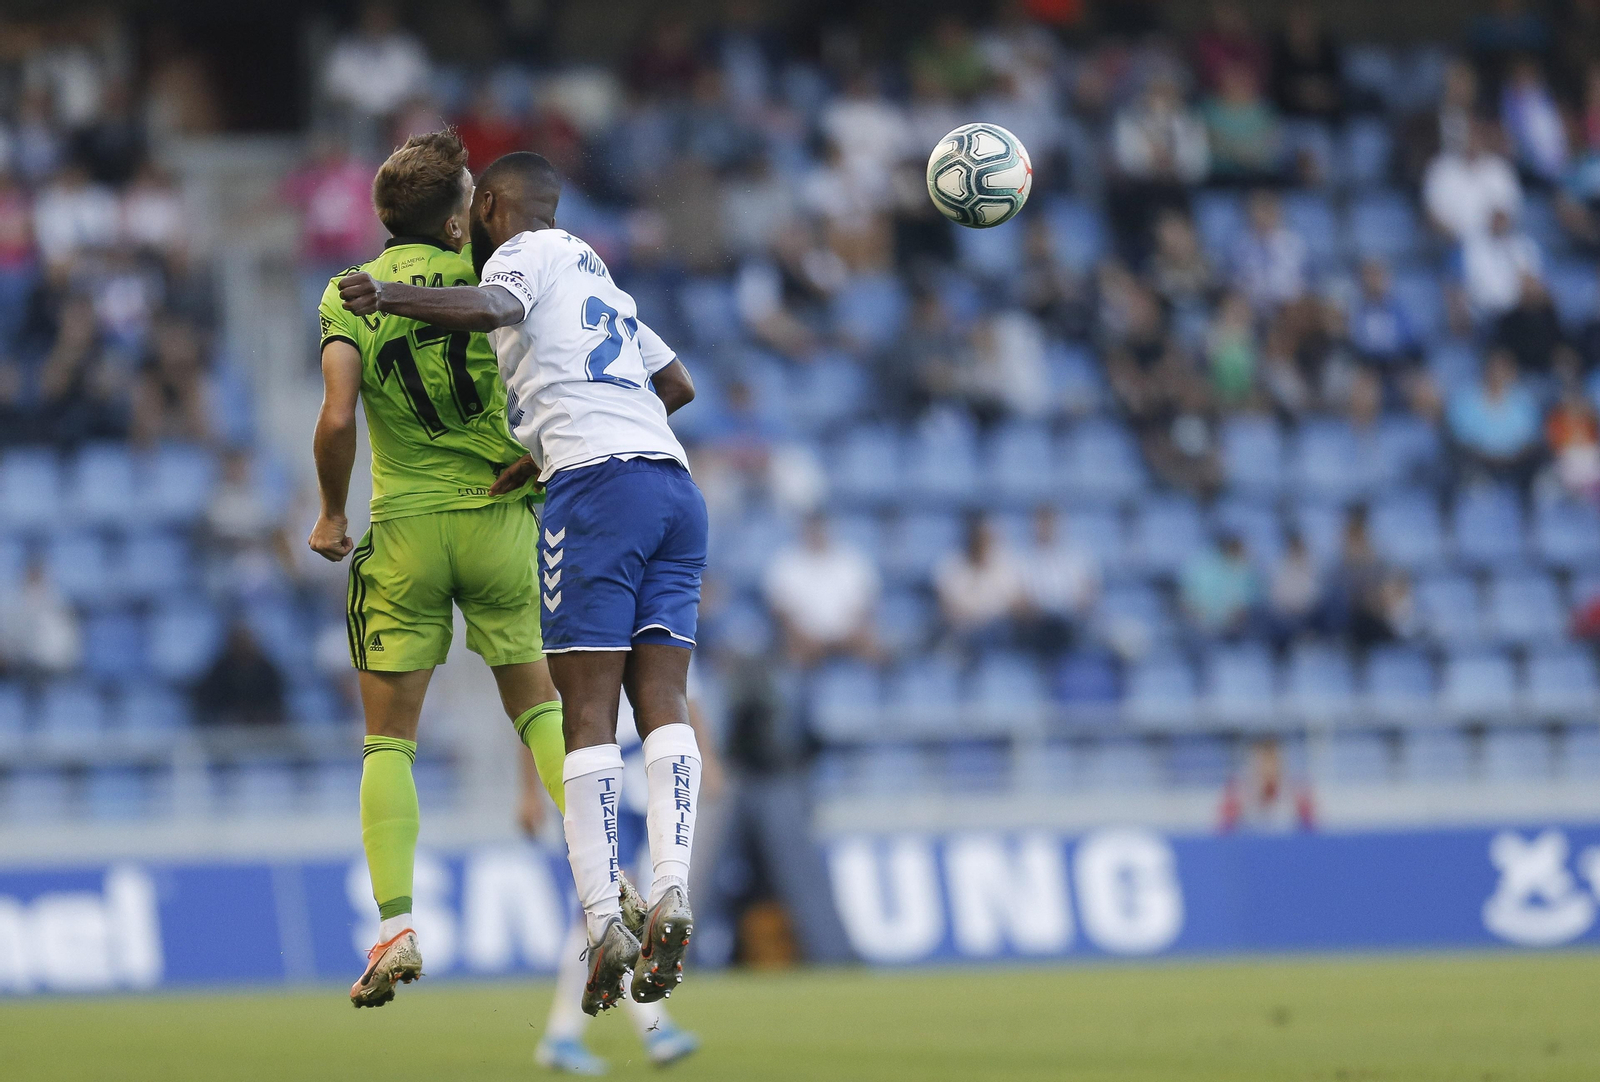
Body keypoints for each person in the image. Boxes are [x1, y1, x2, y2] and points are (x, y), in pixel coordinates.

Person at [338, 149, 707, 1016]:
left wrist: (386, 294)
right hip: (673, 486)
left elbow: (493, 307)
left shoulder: (520, 253)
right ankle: (672, 886)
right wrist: (547, 447)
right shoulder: (594, 271)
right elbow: (678, 384)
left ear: (493, 205)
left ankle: (605, 919)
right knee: (663, 698)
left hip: (591, 493)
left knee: (584, 710)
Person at [308, 132, 571, 1009]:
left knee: (389, 741)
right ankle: (608, 883)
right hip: (500, 518)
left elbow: (336, 417)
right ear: (460, 218)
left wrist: (332, 511)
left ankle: (396, 929)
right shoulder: (495, 280)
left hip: (407, 532)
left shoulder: (347, 293)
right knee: (540, 710)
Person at [523, 683, 721, 1073]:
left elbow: (685, 695)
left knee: (599, 913)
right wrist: (530, 790)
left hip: (638, 782)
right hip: (595, 776)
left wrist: (706, 759)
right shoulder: (566, 650)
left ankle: (563, 1036)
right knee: (616, 908)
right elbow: (533, 707)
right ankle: (654, 1029)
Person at [763, 511, 882, 668]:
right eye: (812, 529)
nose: (816, 534)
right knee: (794, 652)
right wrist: (805, 635)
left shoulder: (851, 559)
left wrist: (849, 633)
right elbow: (781, 611)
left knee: (873, 649)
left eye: (820, 529)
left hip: (848, 633)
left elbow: (864, 606)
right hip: (804, 636)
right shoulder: (785, 563)